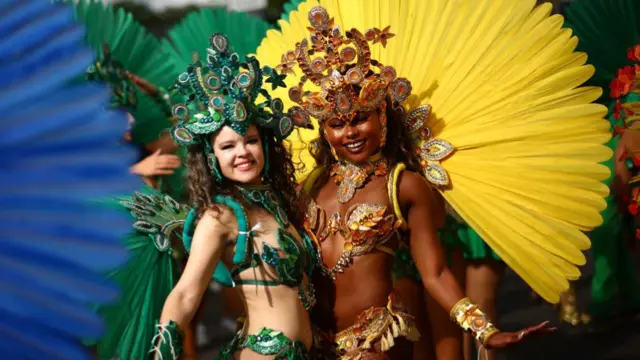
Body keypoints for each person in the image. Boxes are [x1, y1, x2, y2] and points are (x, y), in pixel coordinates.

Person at [257, 1, 612, 358]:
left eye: (360, 118)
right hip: (311, 341)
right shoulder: (311, 183)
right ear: (323, 128)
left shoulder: (403, 183)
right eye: (337, 124)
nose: (350, 132)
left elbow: (436, 272)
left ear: (382, 115)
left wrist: (483, 330)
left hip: (375, 340)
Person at [150, 34, 318, 359]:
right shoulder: (221, 216)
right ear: (211, 158)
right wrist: (163, 349)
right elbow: (186, 292)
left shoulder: (278, 201)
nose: (242, 152)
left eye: (250, 140)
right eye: (227, 146)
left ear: (266, 145)